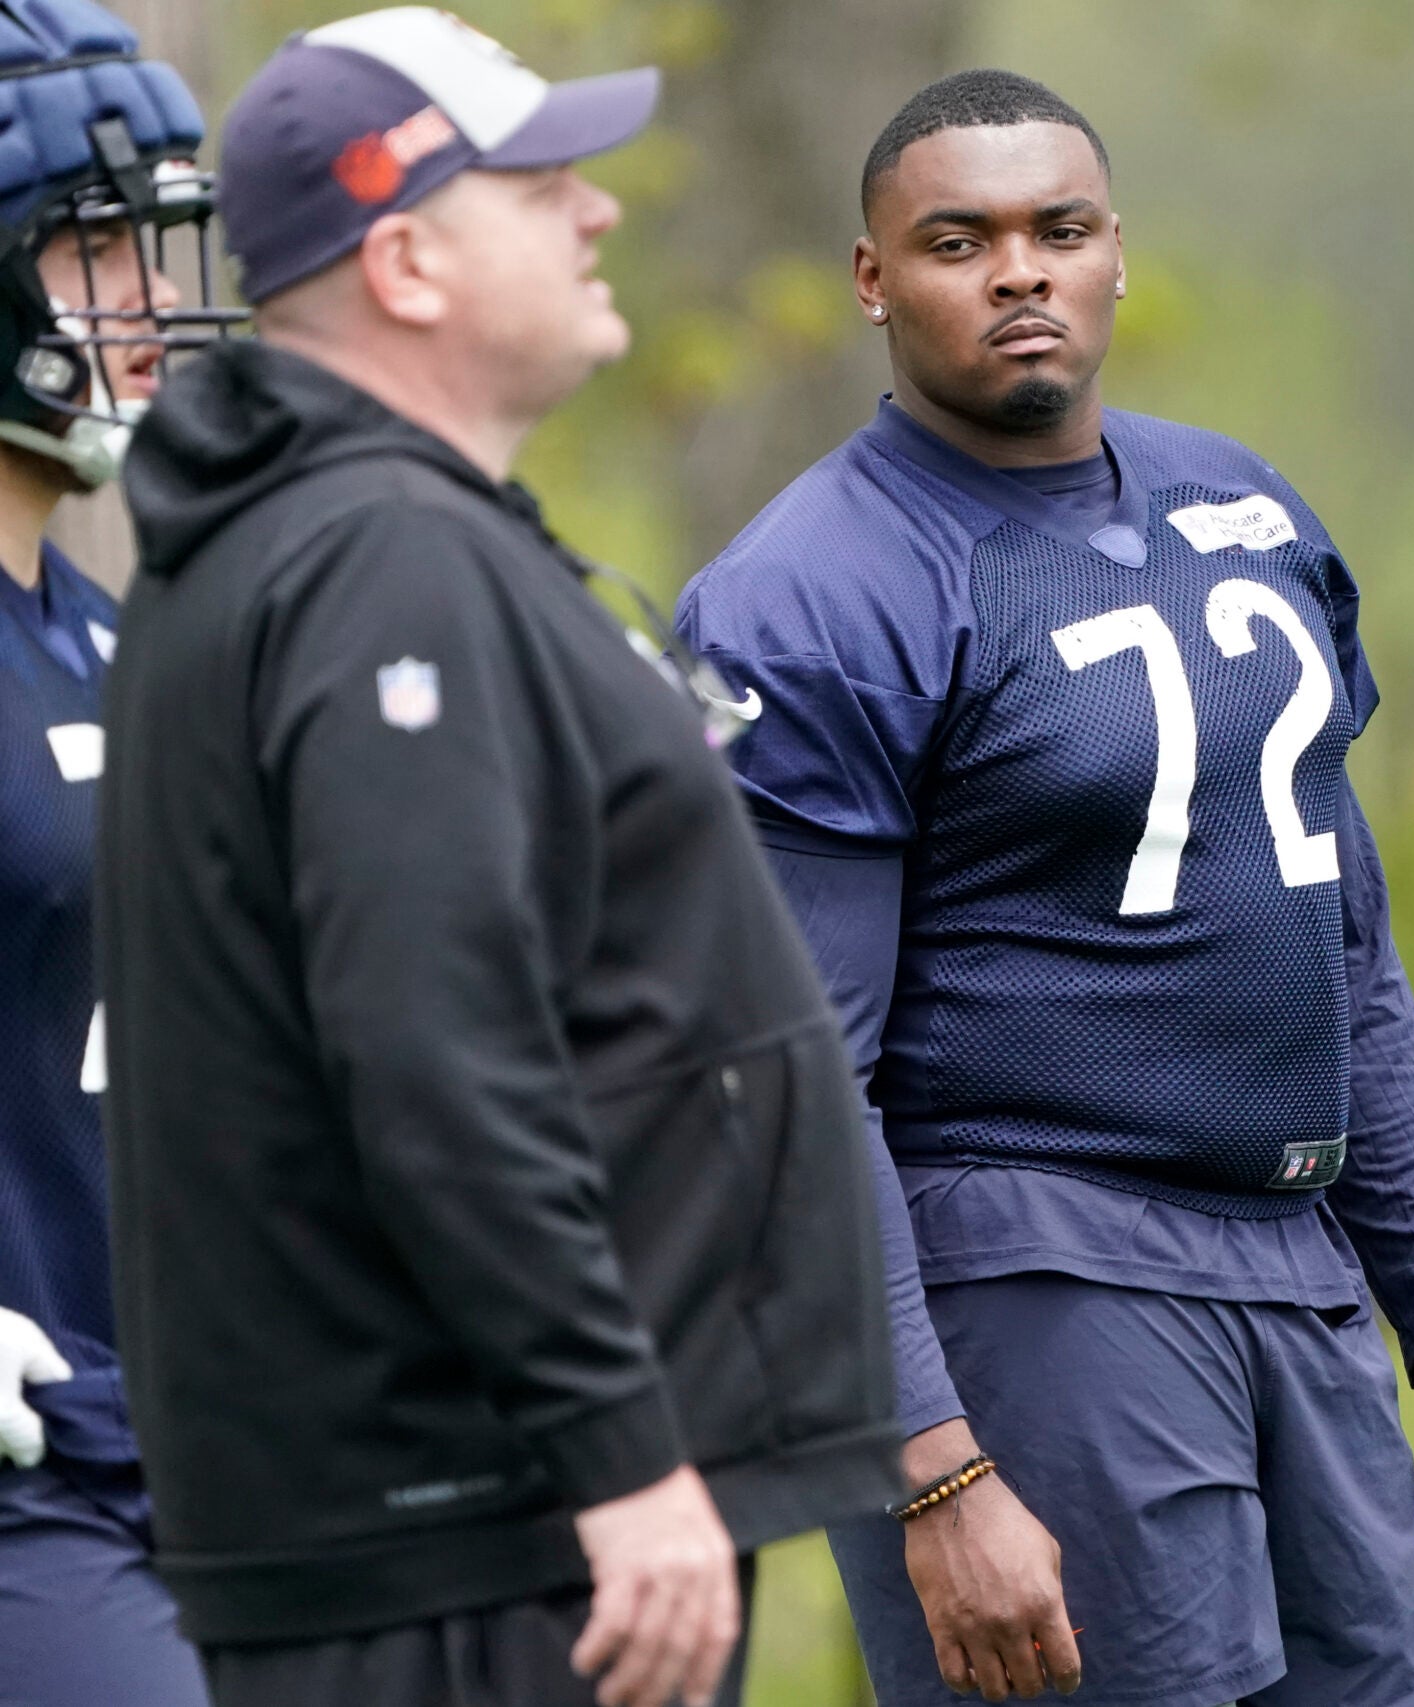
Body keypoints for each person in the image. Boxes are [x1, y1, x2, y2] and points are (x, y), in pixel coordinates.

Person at [676, 68, 1414, 1707]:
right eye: (959, 239)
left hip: (1295, 1268)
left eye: (1057, 229)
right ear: (873, 278)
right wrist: (934, 1470)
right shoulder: (815, 592)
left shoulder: (1245, 505)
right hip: (1037, 1282)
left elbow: (1339, 944)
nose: (1019, 271)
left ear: (1115, 254)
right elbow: (788, 1084)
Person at [96, 12, 899, 1707]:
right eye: (536, 186)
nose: (594, 211)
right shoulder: (377, 562)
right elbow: (436, 1048)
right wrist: (619, 1454)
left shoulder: (338, 538)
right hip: (479, 1535)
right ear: (405, 261)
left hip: (471, 1525)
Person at [0, 5, 242, 1704]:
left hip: (164, 1436)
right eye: (93, 250)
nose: (149, 303)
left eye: (153, 245)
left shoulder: (112, 632)